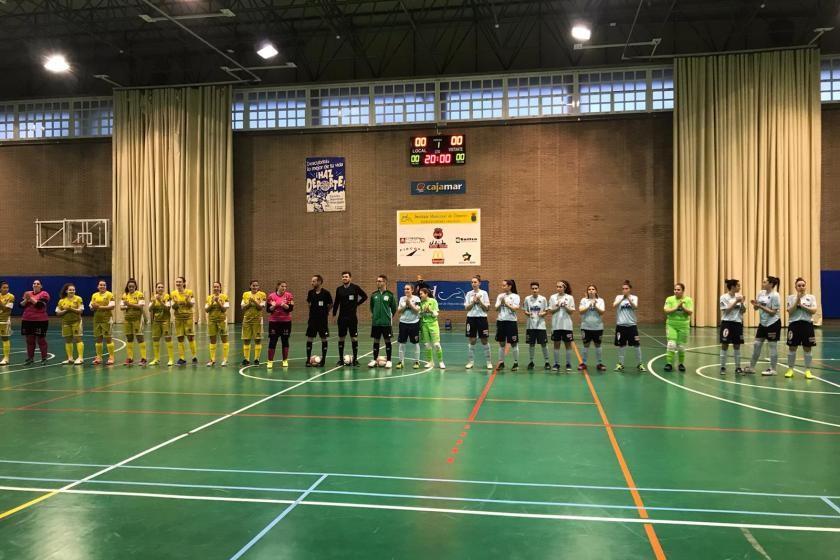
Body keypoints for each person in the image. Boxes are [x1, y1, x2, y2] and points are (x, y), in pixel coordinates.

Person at [746, 275, 781, 376]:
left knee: (772, 346)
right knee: (757, 345)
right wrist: (755, 305)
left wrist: (760, 305)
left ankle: (773, 369)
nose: (762, 283)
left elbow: (773, 312)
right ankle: (751, 367)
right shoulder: (761, 293)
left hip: (773, 323)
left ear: (771, 284)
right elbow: (757, 308)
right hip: (763, 323)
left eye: (765, 282)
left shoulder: (775, 295)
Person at [785, 277, 819, 379]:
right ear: (795, 287)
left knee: (807, 348)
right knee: (792, 348)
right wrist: (797, 301)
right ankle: (790, 369)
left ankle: (808, 370)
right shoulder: (790, 297)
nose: (801, 287)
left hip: (807, 325)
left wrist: (802, 306)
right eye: (799, 285)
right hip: (794, 325)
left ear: (805, 286)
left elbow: (813, 311)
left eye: (803, 285)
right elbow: (790, 311)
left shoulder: (811, 297)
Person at [333, 271, 367, 366]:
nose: (344, 278)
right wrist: (334, 314)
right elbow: (336, 303)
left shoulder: (355, 288)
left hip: (352, 317)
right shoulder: (339, 289)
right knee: (341, 338)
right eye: (343, 277)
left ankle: (355, 360)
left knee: (354, 338)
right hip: (342, 318)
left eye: (346, 277)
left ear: (350, 278)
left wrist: (357, 304)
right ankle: (340, 360)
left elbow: (365, 296)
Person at [613, 280, 644, 371]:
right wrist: (622, 298)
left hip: (632, 325)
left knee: (636, 345)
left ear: (630, 289)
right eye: (623, 289)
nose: (624, 290)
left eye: (626, 289)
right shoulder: (618, 297)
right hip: (621, 325)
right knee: (621, 345)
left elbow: (635, 307)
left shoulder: (634, 297)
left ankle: (640, 364)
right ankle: (620, 364)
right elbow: (614, 305)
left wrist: (628, 299)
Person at [464, 275, 493, 370]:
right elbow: (466, 308)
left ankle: (489, 362)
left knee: (484, 340)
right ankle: (470, 362)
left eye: (475, 282)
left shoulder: (484, 293)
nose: (473, 284)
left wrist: (479, 301)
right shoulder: (468, 294)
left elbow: (487, 308)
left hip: (482, 318)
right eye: (472, 282)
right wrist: (473, 302)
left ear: (479, 283)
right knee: (472, 340)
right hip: (471, 318)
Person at [663, 283, 693, 372]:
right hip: (671, 325)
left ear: (683, 291)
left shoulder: (688, 300)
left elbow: (690, 312)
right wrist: (676, 307)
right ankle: (669, 363)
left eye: (678, 290)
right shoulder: (669, 299)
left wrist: (683, 307)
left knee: (680, 346)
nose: (676, 291)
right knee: (671, 344)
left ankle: (681, 364)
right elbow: (666, 311)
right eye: (675, 289)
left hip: (683, 326)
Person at [368, 275, 397, 368]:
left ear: (385, 282)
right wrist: (375, 316)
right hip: (376, 323)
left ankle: (389, 360)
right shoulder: (374, 295)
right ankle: (374, 359)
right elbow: (372, 307)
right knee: (376, 340)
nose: (378, 283)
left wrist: (388, 317)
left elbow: (394, 308)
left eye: (380, 281)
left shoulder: (390, 295)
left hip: (386, 323)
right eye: (377, 281)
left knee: (387, 340)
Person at [719, 279, 746, 375]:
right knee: (724, 344)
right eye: (738, 285)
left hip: (737, 323)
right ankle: (722, 367)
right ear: (733, 287)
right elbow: (726, 310)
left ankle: (738, 367)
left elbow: (743, 311)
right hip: (727, 323)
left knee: (737, 345)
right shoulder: (723, 297)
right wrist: (736, 301)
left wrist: (742, 302)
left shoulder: (740, 296)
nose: (740, 287)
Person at [20, 279, 50, 365]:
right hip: (27, 320)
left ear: (41, 286)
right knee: (29, 340)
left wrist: (31, 299)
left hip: (40, 320)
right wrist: (26, 300)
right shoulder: (28, 293)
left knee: (41, 340)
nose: (36, 285)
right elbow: (21, 305)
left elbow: (40, 305)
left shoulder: (44, 294)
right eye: (34, 283)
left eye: (38, 284)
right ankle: (30, 358)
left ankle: (44, 358)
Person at [548, 280, 575, 372]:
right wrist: (558, 306)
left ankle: (568, 363)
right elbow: (550, 311)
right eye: (557, 287)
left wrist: (565, 306)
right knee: (556, 345)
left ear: (565, 288)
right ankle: (556, 363)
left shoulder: (570, 297)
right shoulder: (552, 297)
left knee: (568, 345)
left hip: (567, 325)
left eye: (560, 287)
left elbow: (571, 311)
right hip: (556, 325)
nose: (558, 288)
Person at [523, 281, 550, 371]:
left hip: (541, 325)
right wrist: (528, 313)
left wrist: (543, 313)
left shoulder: (543, 299)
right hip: (530, 325)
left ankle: (547, 362)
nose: (534, 290)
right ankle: (531, 362)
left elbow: (546, 310)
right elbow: (525, 310)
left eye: (536, 288)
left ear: (538, 289)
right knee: (531, 344)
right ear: (531, 289)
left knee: (543, 344)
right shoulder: (527, 299)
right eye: (533, 288)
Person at [305, 275, 332, 367]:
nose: (312, 283)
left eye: (314, 281)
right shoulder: (310, 293)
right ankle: (308, 360)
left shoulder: (326, 293)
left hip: (322, 321)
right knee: (309, 338)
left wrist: (325, 312)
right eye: (312, 281)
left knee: (323, 338)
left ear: (319, 282)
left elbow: (330, 304)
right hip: (312, 320)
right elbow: (309, 304)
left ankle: (323, 360)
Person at [578, 284, 606, 371]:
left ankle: (599, 363)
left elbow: (602, 312)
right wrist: (589, 305)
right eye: (589, 289)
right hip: (586, 326)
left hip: (598, 327)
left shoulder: (600, 300)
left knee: (598, 345)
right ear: (587, 291)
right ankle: (584, 363)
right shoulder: (584, 300)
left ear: (596, 291)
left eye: (593, 289)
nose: (591, 290)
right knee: (585, 345)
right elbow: (581, 311)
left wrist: (596, 305)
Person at [171, 277, 197, 365]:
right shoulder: (173, 293)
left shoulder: (189, 292)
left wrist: (187, 300)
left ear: (184, 283)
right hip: (178, 318)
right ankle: (182, 358)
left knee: (190, 337)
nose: (178, 283)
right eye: (177, 282)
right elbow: (173, 308)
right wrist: (175, 303)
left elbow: (191, 305)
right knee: (180, 338)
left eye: (180, 282)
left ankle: (194, 357)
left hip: (188, 317)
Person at [267, 281, 294, 369]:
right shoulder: (271, 296)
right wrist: (273, 306)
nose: (284, 288)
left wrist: (284, 305)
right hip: (274, 322)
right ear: (278, 286)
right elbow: (268, 310)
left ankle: (285, 360)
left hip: (286, 322)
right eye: (282, 286)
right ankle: (270, 361)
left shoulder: (289, 296)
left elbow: (290, 309)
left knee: (285, 341)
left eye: (285, 286)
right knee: (273, 341)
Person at [494, 279, 520, 371]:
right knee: (501, 343)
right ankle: (501, 362)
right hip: (501, 321)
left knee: (513, 343)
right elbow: (496, 309)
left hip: (511, 322)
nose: (503, 287)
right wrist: (501, 303)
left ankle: (516, 363)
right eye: (502, 285)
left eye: (504, 285)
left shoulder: (515, 296)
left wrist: (507, 304)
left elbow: (515, 309)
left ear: (509, 286)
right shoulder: (500, 296)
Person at [120, 278, 147, 366]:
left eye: (132, 286)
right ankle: (130, 358)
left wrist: (129, 305)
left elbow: (140, 306)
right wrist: (127, 306)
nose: (131, 288)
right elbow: (121, 307)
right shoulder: (125, 295)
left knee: (139, 337)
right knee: (129, 338)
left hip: (137, 319)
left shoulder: (139, 294)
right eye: (129, 286)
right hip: (127, 319)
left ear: (135, 286)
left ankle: (143, 358)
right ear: (127, 287)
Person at [55, 283, 84, 365]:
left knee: (78, 338)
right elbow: (58, 313)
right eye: (70, 290)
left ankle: (80, 358)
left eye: (73, 290)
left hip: (76, 321)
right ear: (66, 291)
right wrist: (65, 310)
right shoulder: (61, 301)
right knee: (68, 340)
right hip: (66, 322)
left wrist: (70, 309)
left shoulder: (78, 299)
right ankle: (70, 358)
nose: (72, 291)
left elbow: (80, 311)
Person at [90, 279, 116, 366]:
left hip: (106, 319)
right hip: (97, 320)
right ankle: (99, 357)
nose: (102, 286)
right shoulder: (94, 295)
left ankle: (111, 357)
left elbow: (112, 306)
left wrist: (99, 307)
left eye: (104, 285)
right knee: (98, 339)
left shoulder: (109, 294)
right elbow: (91, 307)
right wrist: (93, 307)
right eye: (100, 285)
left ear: (106, 286)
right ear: (98, 286)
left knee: (108, 338)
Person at [240, 280, 266, 366]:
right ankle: (246, 359)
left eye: (256, 285)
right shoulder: (245, 294)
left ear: (258, 287)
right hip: (247, 319)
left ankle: (256, 359)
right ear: (250, 286)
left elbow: (260, 307)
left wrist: (254, 302)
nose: (255, 287)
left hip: (257, 320)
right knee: (246, 339)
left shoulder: (262, 295)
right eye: (253, 285)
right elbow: (243, 307)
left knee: (257, 339)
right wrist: (249, 304)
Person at [396, 283, 421, 369]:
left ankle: (417, 361)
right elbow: (399, 311)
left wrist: (409, 304)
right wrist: (405, 305)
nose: (405, 290)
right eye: (405, 289)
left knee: (415, 343)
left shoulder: (416, 298)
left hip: (414, 323)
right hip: (403, 323)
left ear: (412, 290)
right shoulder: (402, 299)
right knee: (402, 343)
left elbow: (417, 310)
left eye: (407, 289)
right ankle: (401, 361)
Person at [148, 282, 173, 366]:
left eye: (162, 287)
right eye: (158, 287)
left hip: (165, 321)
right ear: (156, 289)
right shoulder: (153, 297)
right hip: (156, 321)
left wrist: (160, 301)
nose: (160, 288)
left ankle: (171, 359)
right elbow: (149, 309)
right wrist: (154, 302)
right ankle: (156, 359)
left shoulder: (167, 297)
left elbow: (168, 308)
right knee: (155, 339)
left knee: (168, 338)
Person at [205, 281, 230, 367]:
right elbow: (206, 310)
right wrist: (212, 303)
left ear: (220, 288)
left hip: (222, 320)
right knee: (212, 340)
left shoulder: (224, 297)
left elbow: (224, 309)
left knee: (224, 339)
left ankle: (225, 359)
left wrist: (218, 302)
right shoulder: (209, 297)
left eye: (217, 287)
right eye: (214, 287)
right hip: (212, 321)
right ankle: (212, 360)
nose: (216, 288)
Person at [418, 286, 444, 368]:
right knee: (427, 344)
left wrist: (430, 310)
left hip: (433, 325)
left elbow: (436, 314)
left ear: (426, 293)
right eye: (419, 294)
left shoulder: (433, 301)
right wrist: (422, 311)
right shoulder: (420, 303)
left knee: (436, 344)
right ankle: (430, 362)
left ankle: (441, 361)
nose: (420, 295)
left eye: (421, 294)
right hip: (424, 325)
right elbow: (419, 315)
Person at [0, 281, 14, 365]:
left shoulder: (11, 296)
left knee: (4, 338)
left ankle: (6, 358)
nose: (6, 289)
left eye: (7, 287)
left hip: (4, 320)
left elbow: (7, 309)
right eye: (4, 287)